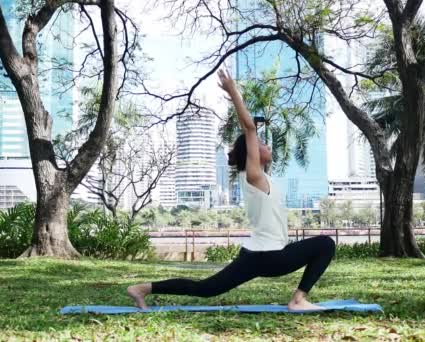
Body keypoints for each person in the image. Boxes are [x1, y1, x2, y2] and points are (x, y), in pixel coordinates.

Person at [127, 69, 335, 311]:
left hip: (257, 255)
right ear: (252, 155)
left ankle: (142, 289)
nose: (265, 145)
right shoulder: (254, 176)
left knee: (206, 289)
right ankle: (298, 300)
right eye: (260, 144)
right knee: (325, 245)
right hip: (270, 256)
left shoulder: (264, 179)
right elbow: (249, 128)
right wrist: (233, 91)